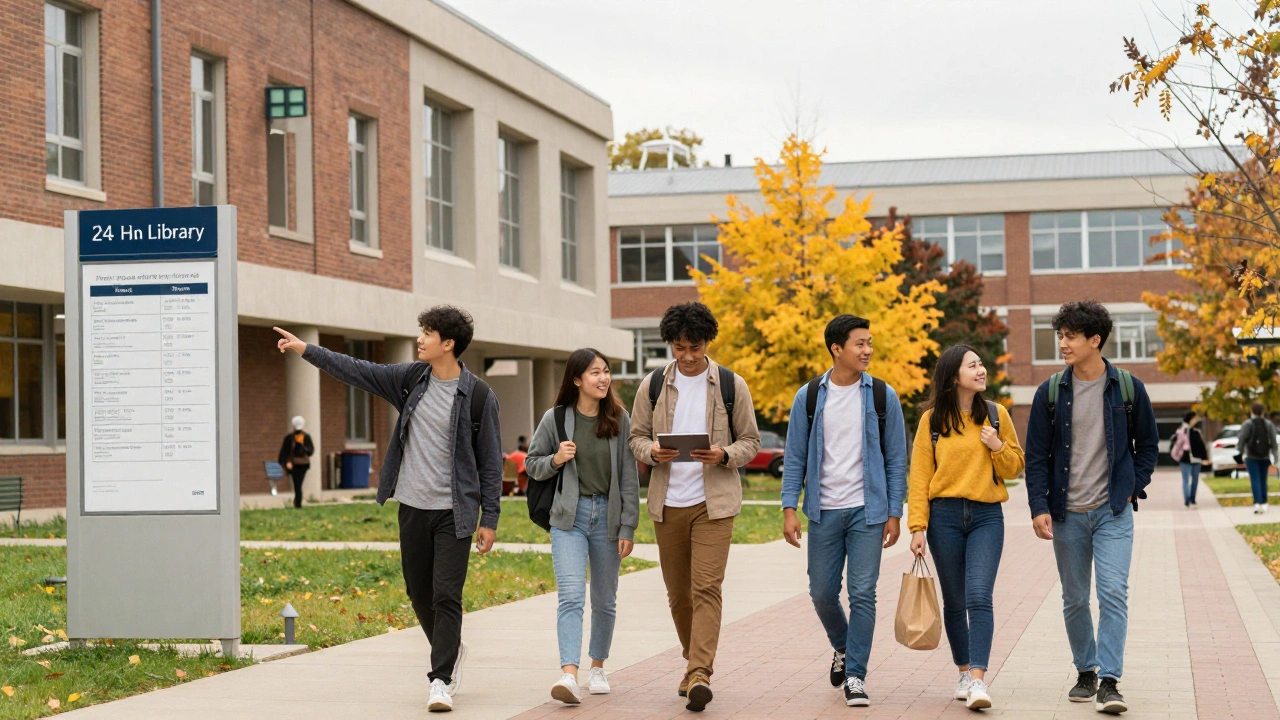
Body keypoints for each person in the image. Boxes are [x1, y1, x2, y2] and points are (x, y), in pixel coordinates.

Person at [273, 305, 502, 714]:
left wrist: (491, 519)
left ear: (447, 344)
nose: (419, 339)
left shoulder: (480, 397)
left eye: (427, 333)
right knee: (419, 592)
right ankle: (450, 649)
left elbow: (489, 464)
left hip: (455, 513)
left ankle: (441, 679)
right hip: (413, 507)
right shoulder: (411, 380)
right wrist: (306, 349)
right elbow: (357, 369)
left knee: (447, 594)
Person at [1024, 300, 1158, 715]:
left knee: (1114, 592)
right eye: (1059, 335)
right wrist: (1037, 506)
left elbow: (1148, 446)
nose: (1062, 343)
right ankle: (1086, 669)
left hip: (1112, 510)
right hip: (1067, 513)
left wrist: (1133, 486)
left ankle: (1110, 681)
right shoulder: (1049, 392)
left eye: (1069, 336)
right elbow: (1036, 456)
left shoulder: (1128, 388)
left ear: (1094, 340)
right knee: (1075, 598)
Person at [628, 302, 761, 712]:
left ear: (707, 343)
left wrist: (723, 454)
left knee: (706, 588)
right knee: (677, 595)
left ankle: (700, 671)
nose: (687, 356)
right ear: (670, 343)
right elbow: (635, 437)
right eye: (679, 347)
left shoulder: (729, 384)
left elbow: (751, 442)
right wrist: (650, 450)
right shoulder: (651, 385)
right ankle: (693, 663)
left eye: (696, 347)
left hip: (713, 504)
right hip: (667, 503)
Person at [781, 315, 907, 708]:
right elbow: (796, 456)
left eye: (870, 343)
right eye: (859, 343)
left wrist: (894, 511)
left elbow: (896, 459)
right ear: (837, 348)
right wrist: (789, 507)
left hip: (867, 511)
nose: (867, 350)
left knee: (863, 594)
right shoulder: (810, 397)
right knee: (821, 593)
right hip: (823, 511)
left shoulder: (883, 396)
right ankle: (842, 646)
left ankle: (855, 675)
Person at [907, 345, 1024, 710]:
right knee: (955, 600)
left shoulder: (996, 414)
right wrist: (917, 526)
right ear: (953, 375)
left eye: (981, 364)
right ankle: (962, 671)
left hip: (987, 516)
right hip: (943, 518)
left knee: (978, 595)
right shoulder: (932, 421)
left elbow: (1014, 467)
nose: (981, 369)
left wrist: (997, 445)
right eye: (972, 365)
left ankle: (977, 680)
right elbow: (920, 476)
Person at [525, 348, 640, 704]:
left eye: (606, 372)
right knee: (571, 597)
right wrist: (557, 459)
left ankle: (598, 667)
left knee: (604, 600)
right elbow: (532, 464)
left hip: (608, 517)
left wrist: (628, 527)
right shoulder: (556, 418)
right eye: (595, 372)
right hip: (568, 518)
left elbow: (629, 477)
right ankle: (569, 674)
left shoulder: (619, 417)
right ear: (576, 379)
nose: (603, 378)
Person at [1237, 402, 1278, 514]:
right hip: (1265, 456)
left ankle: (1257, 503)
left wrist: (1239, 453)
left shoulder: (1248, 424)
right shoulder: (1268, 424)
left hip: (1251, 456)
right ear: (1263, 412)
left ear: (1252, 411)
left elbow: (1241, 439)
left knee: (1255, 479)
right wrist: (1275, 457)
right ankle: (1264, 503)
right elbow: (1274, 442)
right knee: (1263, 479)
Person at [1169, 411, 1208, 508]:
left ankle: (1192, 500)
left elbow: (1202, 445)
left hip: (1195, 459)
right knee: (1187, 480)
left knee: (1194, 480)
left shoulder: (1195, 430)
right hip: (1185, 458)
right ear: (1190, 419)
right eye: (1194, 418)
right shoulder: (1183, 430)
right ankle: (1188, 501)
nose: (1195, 420)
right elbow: (1178, 444)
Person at [277, 416, 314, 508]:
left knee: (298, 484)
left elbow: (310, 451)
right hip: (292, 464)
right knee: (296, 484)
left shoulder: (306, 437)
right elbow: (285, 451)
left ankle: (298, 504)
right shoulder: (289, 438)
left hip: (303, 465)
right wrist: (285, 462)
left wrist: (302, 445)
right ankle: (297, 501)